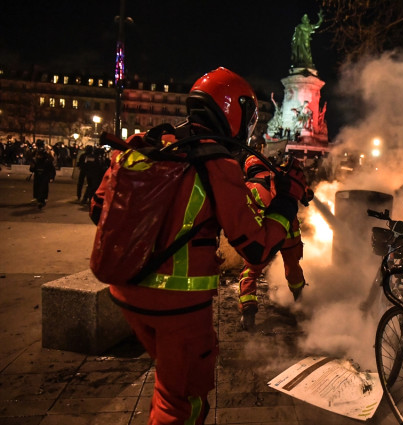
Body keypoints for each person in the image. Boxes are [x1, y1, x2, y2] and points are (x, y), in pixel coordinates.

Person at [90, 67, 306, 425]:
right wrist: (287, 200)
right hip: (177, 307)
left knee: (167, 383)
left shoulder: (152, 141)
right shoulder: (216, 162)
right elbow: (256, 250)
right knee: (184, 402)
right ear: (233, 110)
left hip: (125, 290)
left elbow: (100, 210)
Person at [237, 154, 312, 330]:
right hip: (289, 231)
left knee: (250, 271)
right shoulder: (279, 175)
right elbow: (305, 192)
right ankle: (300, 307)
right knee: (293, 267)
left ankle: (248, 314)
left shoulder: (246, 186)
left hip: (264, 235)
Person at [29, 139, 56, 209]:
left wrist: (52, 177)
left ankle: (42, 200)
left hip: (44, 174)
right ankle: (38, 198)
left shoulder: (46, 156)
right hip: (38, 173)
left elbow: (51, 167)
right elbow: (33, 165)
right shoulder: (36, 155)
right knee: (37, 186)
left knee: (43, 187)